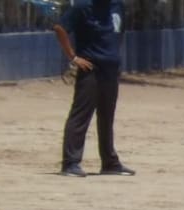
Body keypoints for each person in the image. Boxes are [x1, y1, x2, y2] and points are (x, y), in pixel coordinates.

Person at [53, 0, 135, 178]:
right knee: (81, 115)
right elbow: (60, 28)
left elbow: (119, 33)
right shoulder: (83, 7)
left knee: (107, 116)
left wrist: (113, 56)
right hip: (91, 68)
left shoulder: (117, 6)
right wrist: (73, 57)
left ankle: (110, 162)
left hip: (111, 69)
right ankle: (70, 163)